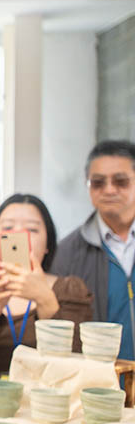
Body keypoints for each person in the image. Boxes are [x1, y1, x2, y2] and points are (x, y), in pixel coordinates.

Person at [0, 194, 93, 394]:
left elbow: (80, 357)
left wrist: (46, 301)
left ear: (48, 243)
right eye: (7, 228)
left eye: (32, 229)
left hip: (52, 408)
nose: (19, 235)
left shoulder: (69, 289)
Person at [51, 140, 135, 363]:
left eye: (121, 181)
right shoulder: (68, 252)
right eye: (98, 182)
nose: (109, 189)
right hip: (100, 384)